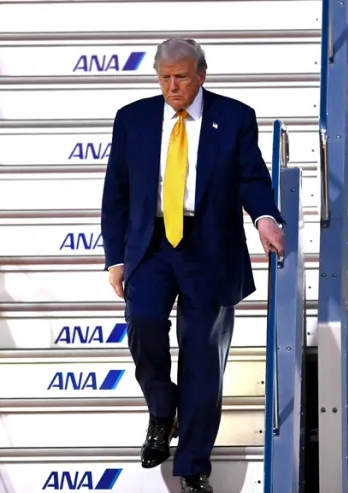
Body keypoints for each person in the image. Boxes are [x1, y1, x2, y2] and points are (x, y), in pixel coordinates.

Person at [100, 38, 285, 493]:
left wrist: (264, 218)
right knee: (143, 323)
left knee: (202, 358)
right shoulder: (132, 119)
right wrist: (115, 258)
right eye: (164, 78)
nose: (172, 87)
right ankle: (163, 410)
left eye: (181, 77)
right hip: (151, 246)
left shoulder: (235, 117)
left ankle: (193, 465)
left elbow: (251, 178)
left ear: (201, 74)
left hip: (210, 248)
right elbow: (116, 193)